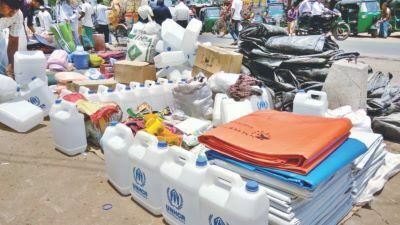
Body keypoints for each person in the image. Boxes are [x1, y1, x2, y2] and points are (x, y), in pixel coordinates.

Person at [0, 0, 24, 77]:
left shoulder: (18, 15)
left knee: (3, 71)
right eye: (11, 8)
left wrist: (12, 68)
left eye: (16, 9)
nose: (13, 13)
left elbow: (13, 42)